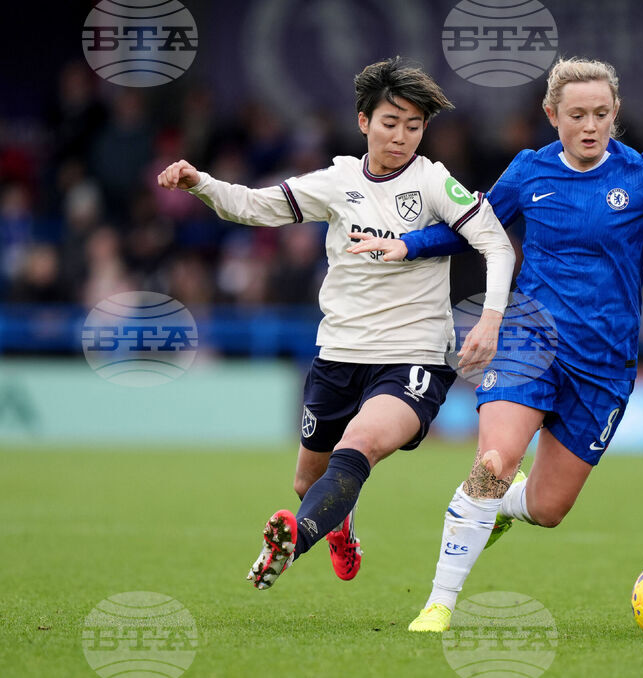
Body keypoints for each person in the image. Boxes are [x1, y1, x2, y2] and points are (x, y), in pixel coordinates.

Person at [347, 57, 643, 632]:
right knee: (492, 461)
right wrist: (407, 245)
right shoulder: (529, 173)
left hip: (605, 366)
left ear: (616, 115)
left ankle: (501, 506)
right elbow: (471, 226)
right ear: (552, 114)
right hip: (530, 341)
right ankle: (439, 603)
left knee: (548, 509)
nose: (590, 126)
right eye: (577, 114)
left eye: (602, 114)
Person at [156, 57, 515, 590]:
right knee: (308, 479)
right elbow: (256, 207)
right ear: (364, 121)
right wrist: (200, 182)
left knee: (360, 444)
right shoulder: (337, 180)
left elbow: (496, 243)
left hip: (412, 354)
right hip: (338, 354)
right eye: (390, 123)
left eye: (414, 127)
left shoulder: (436, 182)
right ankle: (336, 525)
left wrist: (490, 320)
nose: (401, 137)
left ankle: (292, 541)